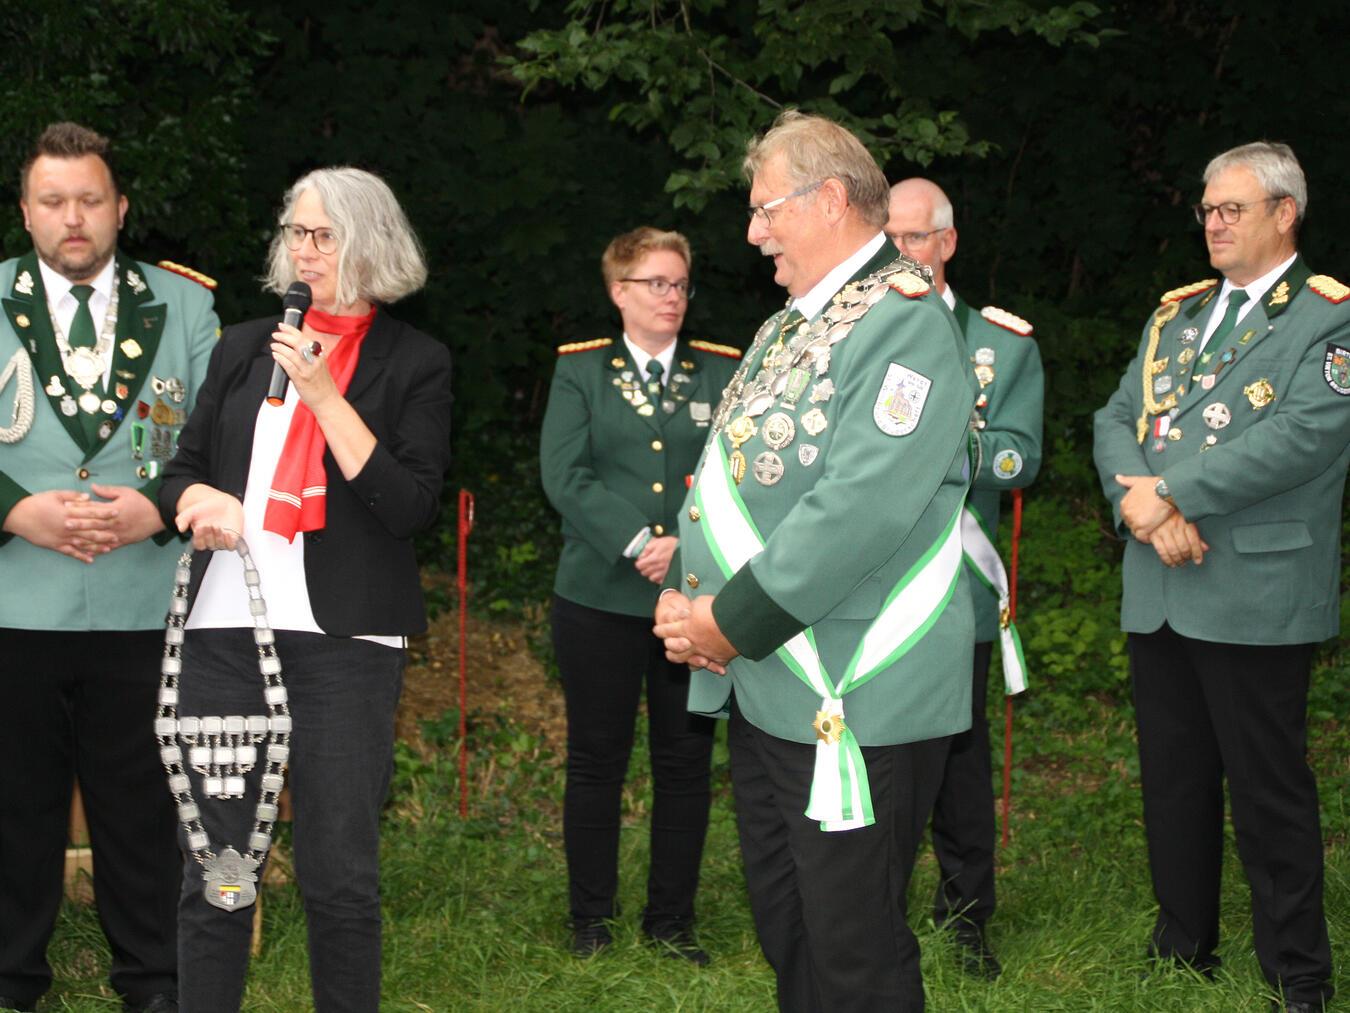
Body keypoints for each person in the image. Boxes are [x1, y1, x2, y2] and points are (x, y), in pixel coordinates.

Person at [655, 111, 975, 1012]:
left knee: (853, 947)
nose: (754, 233)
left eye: (767, 210)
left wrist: (728, 620)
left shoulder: (901, 322)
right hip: (771, 678)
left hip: (856, 683)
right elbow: (740, 486)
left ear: (830, 199)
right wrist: (693, 604)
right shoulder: (790, 327)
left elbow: (859, 506)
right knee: (790, 930)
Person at [157, 167, 452, 1012]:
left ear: (369, 243)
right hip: (224, 635)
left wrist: (323, 393)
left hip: (346, 643)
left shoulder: (415, 362)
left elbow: (408, 506)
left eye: (323, 234)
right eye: (296, 232)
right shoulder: (246, 344)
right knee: (217, 870)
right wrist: (195, 497)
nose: (304, 249)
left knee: (339, 873)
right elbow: (182, 468)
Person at [1093, 141, 1348, 1013]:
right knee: (1174, 779)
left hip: (1255, 592)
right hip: (1163, 587)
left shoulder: (1328, 319)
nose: (1213, 221)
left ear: (1286, 213)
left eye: (1233, 207)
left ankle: (1297, 971)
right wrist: (1146, 508)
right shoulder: (1178, 316)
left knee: (1270, 790)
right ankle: (1183, 945)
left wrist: (1165, 492)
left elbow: (1302, 438)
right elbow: (1118, 414)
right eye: (1207, 207)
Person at [0, 122, 219, 1013]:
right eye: (53, 201)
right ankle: (12, 980)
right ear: (26, 212)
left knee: (141, 811)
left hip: (144, 596)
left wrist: (160, 507)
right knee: (16, 808)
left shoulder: (187, 307)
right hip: (19, 596)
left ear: (121, 207)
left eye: (90, 199)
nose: (73, 218)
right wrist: (13, 507)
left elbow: (223, 434)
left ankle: (154, 983)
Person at [539, 226, 740, 961]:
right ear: (618, 291)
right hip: (598, 596)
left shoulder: (722, 371)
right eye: (656, 283)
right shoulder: (580, 372)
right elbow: (565, 476)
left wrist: (681, 550)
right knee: (597, 759)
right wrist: (637, 543)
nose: (672, 297)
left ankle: (670, 923)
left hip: (692, 601)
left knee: (685, 763)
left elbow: (738, 475)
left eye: (681, 283)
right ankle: (590, 919)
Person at [884, 178, 1044, 978]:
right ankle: (870, 901)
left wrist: (941, 453)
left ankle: (966, 912)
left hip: (953, 588)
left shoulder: (1001, 344)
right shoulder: (857, 332)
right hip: (866, 585)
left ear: (947, 243)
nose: (900, 254)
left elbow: (1018, 455)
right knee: (874, 746)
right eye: (888, 238)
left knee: (958, 753)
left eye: (914, 238)